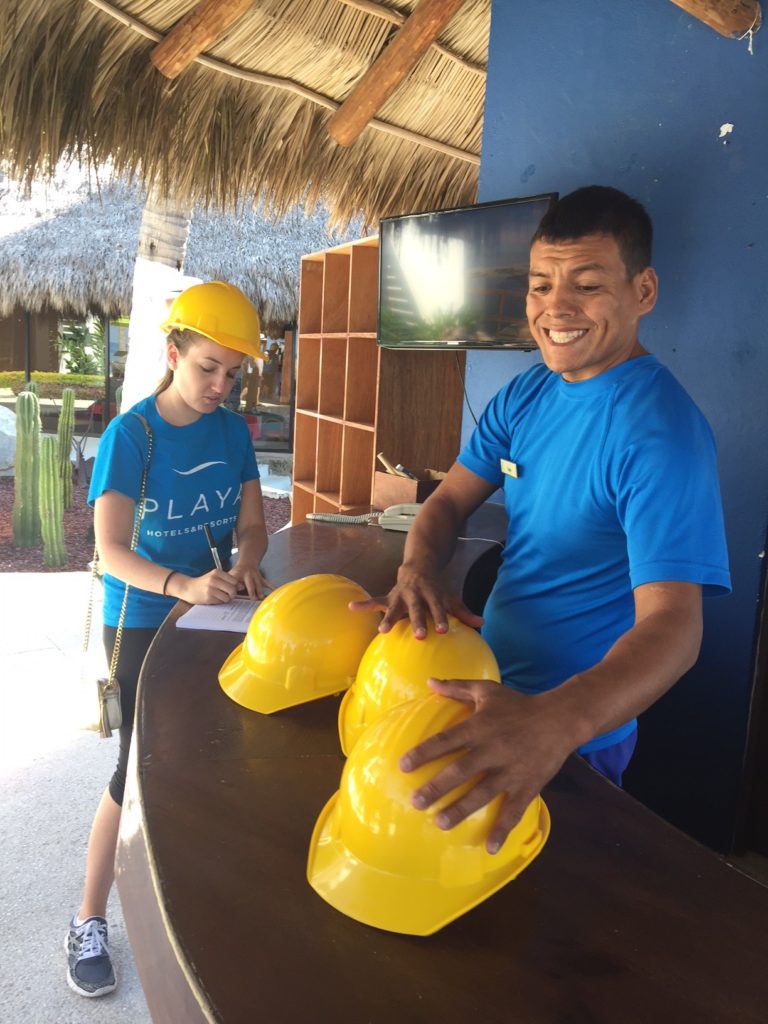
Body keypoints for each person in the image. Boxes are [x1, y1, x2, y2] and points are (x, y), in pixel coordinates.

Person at [352, 186, 730, 856]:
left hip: (569, 736)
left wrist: (554, 723)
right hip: (482, 689)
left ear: (642, 292)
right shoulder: (527, 392)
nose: (556, 308)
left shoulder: (661, 433)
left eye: (586, 285)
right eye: (540, 285)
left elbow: (675, 629)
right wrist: (418, 569)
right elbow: (444, 503)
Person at [66, 281, 271, 998]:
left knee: (212, 756)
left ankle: (198, 893)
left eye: (233, 373)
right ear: (173, 352)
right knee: (136, 770)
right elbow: (110, 551)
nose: (220, 385)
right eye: (207, 367)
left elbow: (253, 525)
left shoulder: (231, 433)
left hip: (214, 615)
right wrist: (182, 586)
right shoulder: (132, 436)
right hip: (146, 618)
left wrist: (247, 561)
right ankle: (89, 917)